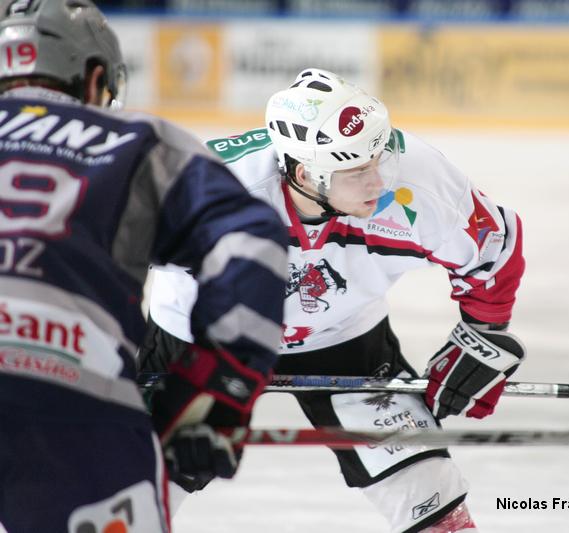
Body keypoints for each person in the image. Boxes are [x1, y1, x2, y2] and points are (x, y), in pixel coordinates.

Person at [144, 68, 526, 532]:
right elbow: (99, 257)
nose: (381, 181)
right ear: (308, 173)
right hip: (204, 339)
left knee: (428, 492)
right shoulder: (209, 190)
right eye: (360, 170)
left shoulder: (419, 182)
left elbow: (491, 248)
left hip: (344, 334)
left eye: (381, 158)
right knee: (136, 484)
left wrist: (483, 332)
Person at [0, 1, 287, 532]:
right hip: (72, 401)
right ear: (94, 77)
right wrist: (221, 386)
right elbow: (251, 242)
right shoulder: (140, 142)